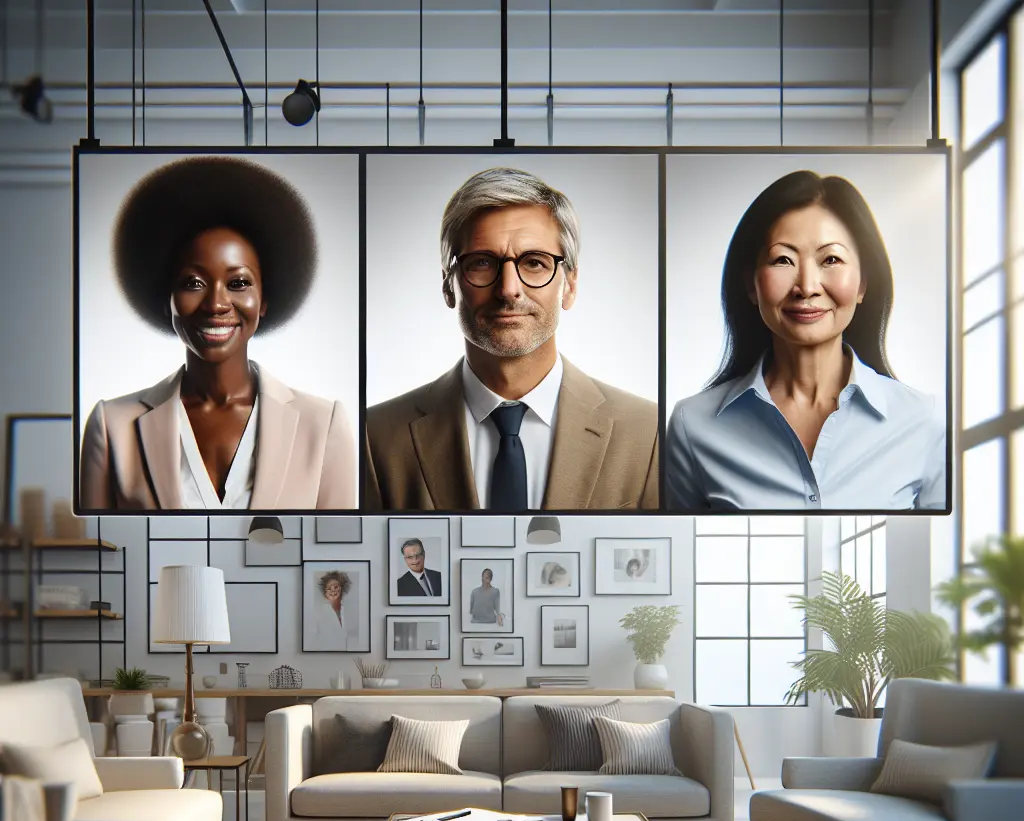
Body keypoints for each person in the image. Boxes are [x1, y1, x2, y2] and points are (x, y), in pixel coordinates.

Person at [364, 166, 659, 511]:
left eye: (534, 262)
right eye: (482, 263)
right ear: (448, 285)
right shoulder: (377, 436)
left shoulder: (648, 433)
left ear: (570, 285)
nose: (508, 289)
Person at [79, 156, 356, 511]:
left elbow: (335, 556)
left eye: (238, 283)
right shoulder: (113, 426)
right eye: (193, 283)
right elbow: (100, 557)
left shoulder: (324, 425)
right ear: (167, 300)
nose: (216, 303)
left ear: (265, 300)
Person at [665, 169, 946, 512]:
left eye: (831, 259)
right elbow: (675, 558)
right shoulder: (693, 426)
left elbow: (940, 561)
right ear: (752, 285)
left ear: (862, 285)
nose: (807, 286)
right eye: (783, 259)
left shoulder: (921, 420)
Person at [311, 570, 352, 650]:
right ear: (325, 593)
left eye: (336, 587)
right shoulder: (319, 611)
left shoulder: (347, 609)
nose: (333, 590)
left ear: (341, 588)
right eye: (329, 588)